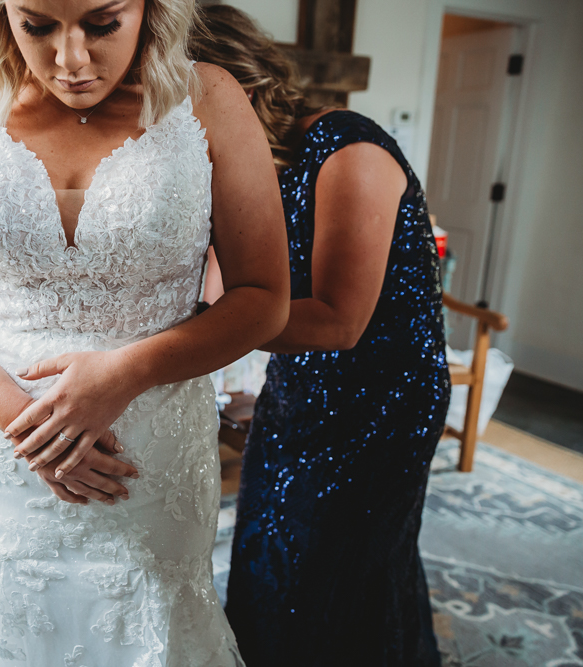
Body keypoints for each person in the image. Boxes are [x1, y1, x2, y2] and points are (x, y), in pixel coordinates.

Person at [0, 0, 290, 663]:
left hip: (151, 458)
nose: (70, 59)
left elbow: (264, 298)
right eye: (37, 25)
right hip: (7, 457)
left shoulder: (209, 99)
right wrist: (32, 427)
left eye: (102, 23)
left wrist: (125, 373)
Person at [191, 6, 450, 666]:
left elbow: (338, 319)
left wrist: (204, 323)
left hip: (385, 401)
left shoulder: (349, 147)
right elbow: (219, 293)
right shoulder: (247, 170)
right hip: (302, 386)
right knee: (267, 547)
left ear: (238, 86)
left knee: (342, 567)